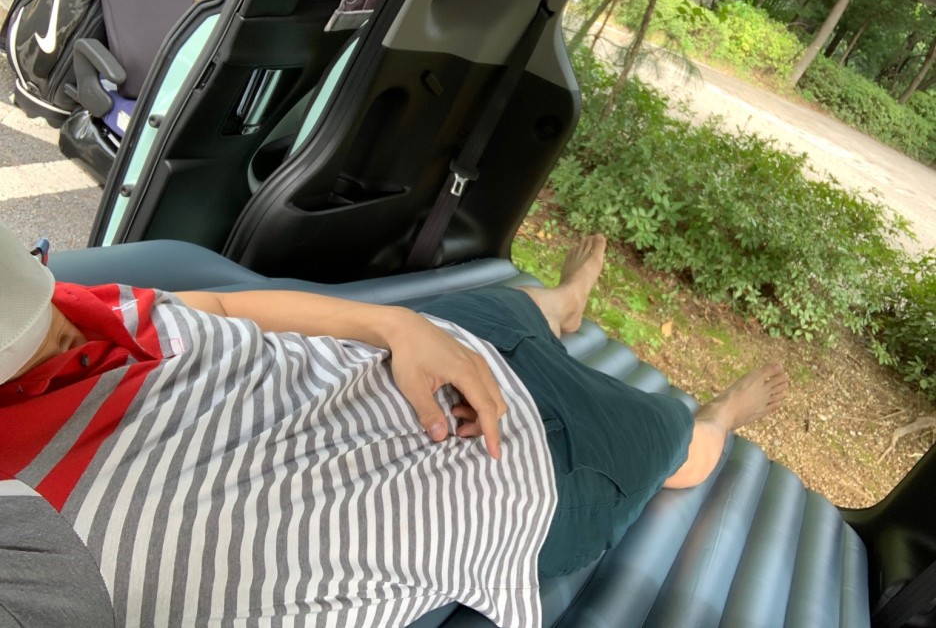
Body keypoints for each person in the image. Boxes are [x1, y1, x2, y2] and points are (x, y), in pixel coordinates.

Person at [0, 221, 787, 627]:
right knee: (675, 441)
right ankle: (722, 412)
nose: (59, 320)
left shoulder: (62, 306)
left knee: (514, 309)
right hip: (530, 477)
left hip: (414, 356)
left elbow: (214, 307)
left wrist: (395, 327)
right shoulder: (39, 547)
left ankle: (560, 305)